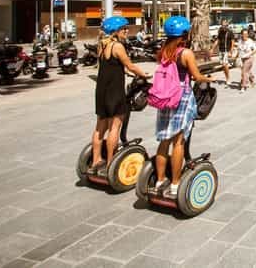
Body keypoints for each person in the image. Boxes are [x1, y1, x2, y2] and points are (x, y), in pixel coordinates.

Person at [154, 16, 218, 197]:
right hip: (181, 97)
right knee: (178, 141)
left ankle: (159, 180)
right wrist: (209, 79)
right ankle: (175, 183)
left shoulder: (163, 51)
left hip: (165, 97)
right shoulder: (186, 53)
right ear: (184, 34)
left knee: (163, 141)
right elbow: (197, 76)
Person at [90, 16, 149, 175]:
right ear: (115, 31)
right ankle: (110, 162)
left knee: (99, 127)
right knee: (114, 127)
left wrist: (126, 71)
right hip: (114, 91)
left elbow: (112, 66)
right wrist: (144, 75)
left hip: (101, 90)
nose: (126, 31)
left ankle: (96, 160)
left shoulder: (101, 45)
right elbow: (130, 65)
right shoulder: (117, 46)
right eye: (124, 29)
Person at [211, 19, 235, 88]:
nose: (224, 26)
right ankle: (227, 77)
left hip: (227, 50)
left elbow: (233, 42)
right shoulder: (220, 32)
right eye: (222, 25)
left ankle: (228, 79)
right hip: (221, 51)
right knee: (223, 65)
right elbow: (217, 41)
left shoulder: (230, 32)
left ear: (227, 25)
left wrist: (231, 51)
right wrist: (212, 49)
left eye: (225, 25)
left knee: (225, 64)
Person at [237, 28, 256, 93]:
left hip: (249, 58)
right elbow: (239, 50)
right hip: (242, 59)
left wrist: (249, 54)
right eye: (243, 34)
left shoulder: (250, 41)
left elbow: (255, 50)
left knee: (244, 72)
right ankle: (252, 81)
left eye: (246, 34)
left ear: (248, 34)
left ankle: (243, 86)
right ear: (241, 35)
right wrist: (236, 57)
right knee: (247, 71)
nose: (245, 35)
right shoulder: (240, 41)